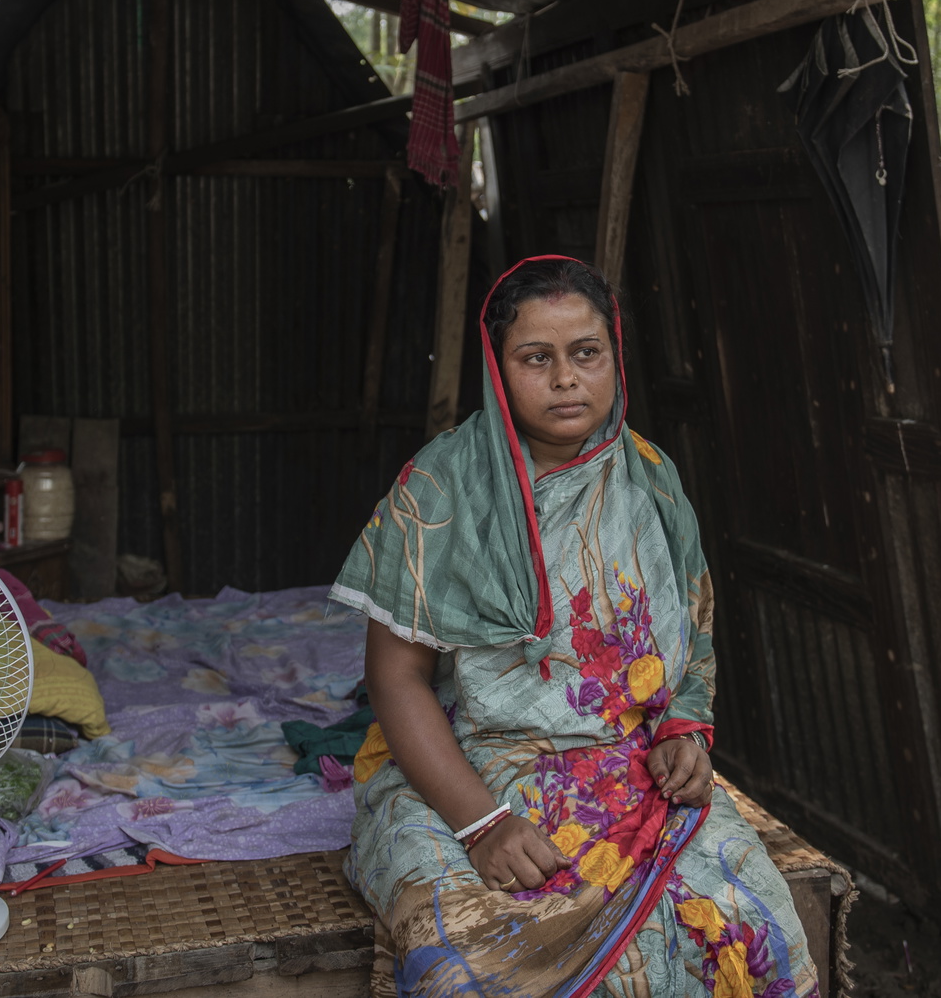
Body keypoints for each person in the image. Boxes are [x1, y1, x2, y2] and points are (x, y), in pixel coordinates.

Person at [332, 256, 817, 998]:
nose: (566, 378)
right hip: (476, 767)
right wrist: (480, 823)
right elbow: (396, 678)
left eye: (585, 353)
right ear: (499, 371)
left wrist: (683, 726)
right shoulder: (439, 490)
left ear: (613, 357)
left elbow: (692, 626)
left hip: (630, 765)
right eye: (537, 358)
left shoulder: (649, 476)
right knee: (466, 953)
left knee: (751, 924)